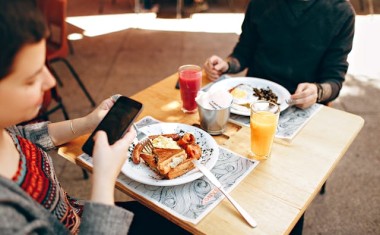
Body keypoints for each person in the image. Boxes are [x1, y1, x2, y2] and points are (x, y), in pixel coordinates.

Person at [0, 1, 190, 234]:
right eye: (31, 79)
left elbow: (26, 137)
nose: (50, 82)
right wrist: (103, 178)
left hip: (79, 212)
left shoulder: (4, 130)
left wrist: (89, 122)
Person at [204, 0, 355, 109]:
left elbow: (334, 81)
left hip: (301, 105)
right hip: (253, 99)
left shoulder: (342, 12)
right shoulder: (260, 3)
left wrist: (318, 91)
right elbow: (243, 52)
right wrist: (227, 64)